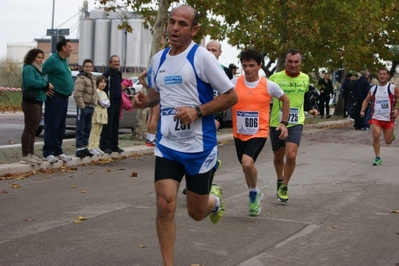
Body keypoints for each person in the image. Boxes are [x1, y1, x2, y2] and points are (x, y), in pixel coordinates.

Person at [133, 5, 237, 266]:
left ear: (194, 30)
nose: (174, 28)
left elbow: (231, 96)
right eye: (171, 22)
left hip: (199, 147)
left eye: (182, 24)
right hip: (168, 145)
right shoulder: (158, 59)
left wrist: (198, 111)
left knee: (196, 212)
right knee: (164, 204)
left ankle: (214, 202)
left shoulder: (202, 58)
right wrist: (146, 101)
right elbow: (158, 93)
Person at [231, 49, 289, 216]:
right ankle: (254, 191)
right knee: (245, 167)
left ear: (259, 66)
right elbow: (222, 97)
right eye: (244, 66)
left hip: (259, 132)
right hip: (239, 132)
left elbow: (285, 100)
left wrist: (283, 123)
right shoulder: (234, 83)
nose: (248, 69)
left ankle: (254, 193)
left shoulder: (268, 85)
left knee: (247, 163)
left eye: (251, 65)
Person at [269, 49, 318, 203]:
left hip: (295, 121)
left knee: (291, 155)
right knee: (278, 156)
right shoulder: (275, 78)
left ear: (300, 63)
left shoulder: (305, 78)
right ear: (286, 62)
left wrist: (310, 108)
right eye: (290, 61)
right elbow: (264, 98)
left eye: (296, 62)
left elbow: (304, 96)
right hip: (276, 122)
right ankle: (279, 178)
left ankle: (284, 185)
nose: (293, 64)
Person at [42, 38, 74, 163]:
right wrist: (45, 87)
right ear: (63, 48)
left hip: (64, 97)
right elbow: (40, 73)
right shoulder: (52, 60)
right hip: (55, 97)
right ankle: (47, 152)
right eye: (70, 46)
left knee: (61, 126)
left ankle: (58, 151)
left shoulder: (64, 61)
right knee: (52, 125)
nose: (72, 48)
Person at [20, 48, 54, 164]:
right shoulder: (29, 68)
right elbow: (30, 82)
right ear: (32, 57)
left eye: (41, 58)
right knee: (29, 128)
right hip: (31, 102)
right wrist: (45, 84)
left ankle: (31, 153)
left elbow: (37, 84)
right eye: (38, 57)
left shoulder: (37, 69)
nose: (40, 60)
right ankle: (25, 155)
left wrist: (44, 90)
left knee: (34, 129)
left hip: (38, 101)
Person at [360, 68, 399, 166]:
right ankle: (377, 157)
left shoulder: (392, 88)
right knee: (376, 135)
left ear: (388, 76)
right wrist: (363, 109)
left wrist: (397, 110)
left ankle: (391, 136)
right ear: (378, 75)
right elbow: (366, 100)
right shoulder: (373, 89)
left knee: (388, 141)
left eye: (384, 74)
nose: (382, 76)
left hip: (388, 118)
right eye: (380, 74)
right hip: (376, 117)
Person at [100, 55, 125, 154]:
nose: (117, 63)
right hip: (109, 104)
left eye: (118, 61)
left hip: (117, 103)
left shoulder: (119, 73)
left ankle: (114, 145)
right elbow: (102, 87)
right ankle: (104, 145)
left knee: (115, 125)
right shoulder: (106, 74)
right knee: (108, 126)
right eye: (115, 61)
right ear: (110, 63)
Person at [73, 59, 97, 158]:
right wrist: (82, 106)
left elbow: (95, 93)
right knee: (80, 127)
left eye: (90, 66)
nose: (88, 68)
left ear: (92, 67)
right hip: (83, 106)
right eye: (86, 66)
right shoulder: (81, 78)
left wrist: (94, 104)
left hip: (91, 106)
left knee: (87, 127)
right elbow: (77, 94)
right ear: (83, 67)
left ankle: (84, 146)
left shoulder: (93, 78)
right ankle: (79, 148)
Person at [88, 75, 110, 155]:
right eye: (101, 82)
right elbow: (102, 102)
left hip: (103, 114)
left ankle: (96, 146)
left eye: (104, 82)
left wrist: (105, 102)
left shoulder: (104, 93)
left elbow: (107, 103)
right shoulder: (96, 92)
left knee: (99, 132)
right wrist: (104, 102)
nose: (103, 84)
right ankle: (91, 147)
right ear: (97, 83)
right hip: (96, 114)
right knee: (94, 131)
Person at [138, 66, 159, 147]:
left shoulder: (150, 68)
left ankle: (149, 138)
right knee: (155, 117)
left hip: (150, 93)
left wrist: (147, 87)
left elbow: (140, 77)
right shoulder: (158, 66)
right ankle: (152, 139)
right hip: (157, 93)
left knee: (150, 116)